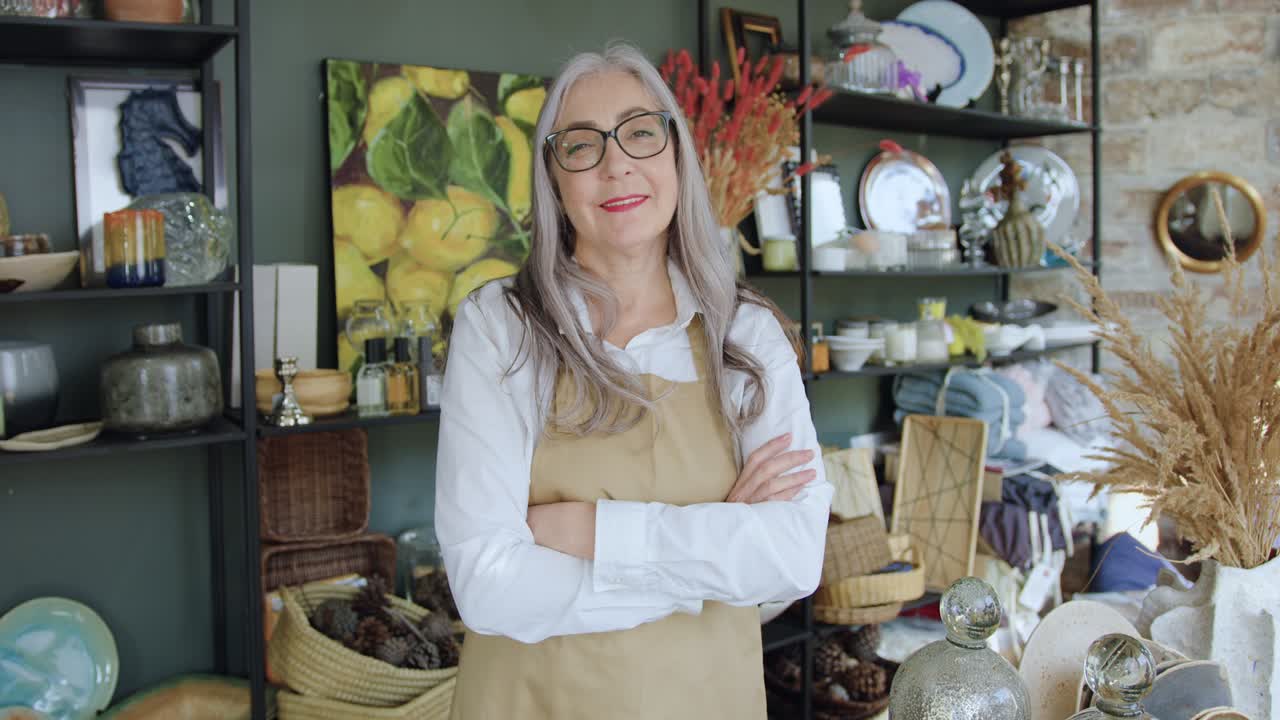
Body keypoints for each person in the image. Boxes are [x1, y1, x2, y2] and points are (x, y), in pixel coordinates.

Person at [434, 41, 832, 720]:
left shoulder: (746, 333)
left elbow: (793, 558)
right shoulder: (500, 326)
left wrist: (594, 531)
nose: (617, 164)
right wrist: (717, 547)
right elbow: (488, 584)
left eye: (640, 134)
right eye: (582, 146)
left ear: (675, 154)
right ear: (554, 179)